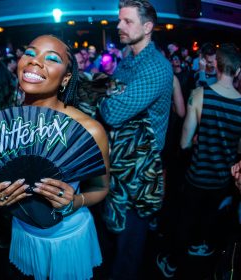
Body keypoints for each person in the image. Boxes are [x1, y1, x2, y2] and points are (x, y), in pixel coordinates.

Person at [0, 34, 109, 280]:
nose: (35, 62)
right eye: (30, 53)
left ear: (66, 78)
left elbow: (101, 188)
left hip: (65, 237)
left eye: (51, 58)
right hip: (23, 230)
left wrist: (75, 201)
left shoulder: (88, 129)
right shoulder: (6, 124)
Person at [98, 1, 173, 279]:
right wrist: (108, 92)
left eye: (127, 21)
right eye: (120, 20)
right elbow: (107, 92)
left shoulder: (156, 67)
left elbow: (113, 112)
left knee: (129, 248)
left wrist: (106, 94)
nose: (119, 26)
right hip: (119, 163)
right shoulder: (128, 60)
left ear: (148, 27)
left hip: (140, 171)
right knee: (113, 236)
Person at [157, 44, 241, 278]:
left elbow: (184, 143)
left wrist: (200, 139)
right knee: (208, 216)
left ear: (218, 66)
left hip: (197, 174)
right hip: (221, 178)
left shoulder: (200, 95)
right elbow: (240, 148)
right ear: (237, 71)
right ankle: (200, 245)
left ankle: (172, 262)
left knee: (186, 218)